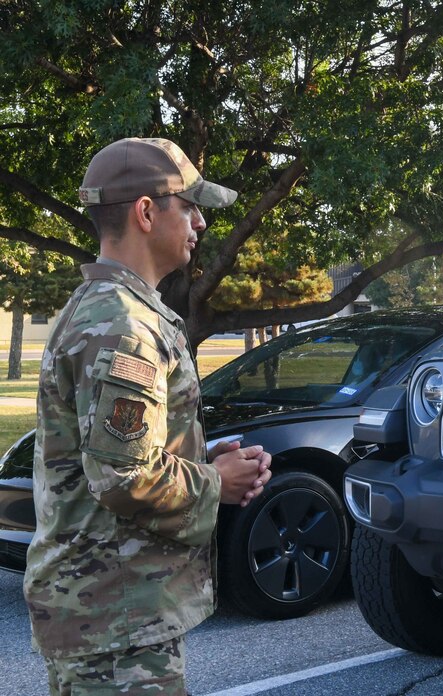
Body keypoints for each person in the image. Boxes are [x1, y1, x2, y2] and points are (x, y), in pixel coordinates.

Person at [24, 137, 273, 695]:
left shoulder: (114, 309)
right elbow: (124, 476)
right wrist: (216, 482)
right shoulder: (123, 327)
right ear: (145, 212)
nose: (200, 223)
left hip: (109, 614)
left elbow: (109, 454)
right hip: (115, 621)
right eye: (188, 207)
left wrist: (197, 457)